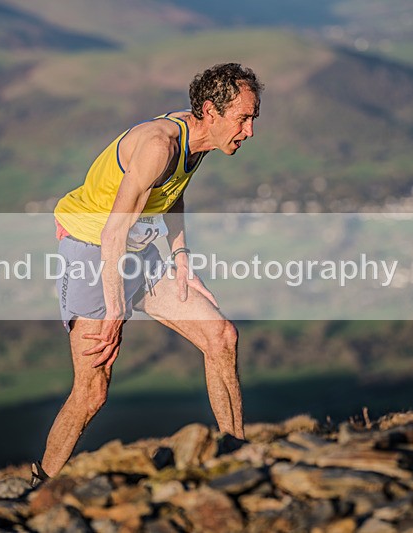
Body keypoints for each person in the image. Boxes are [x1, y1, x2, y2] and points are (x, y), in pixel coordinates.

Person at [34, 63, 262, 484]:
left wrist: (180, 259)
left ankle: (236, 456)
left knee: (222, 336)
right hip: (92, 250)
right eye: (243, 119)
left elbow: (171, 195)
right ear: (211, 111)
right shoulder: (160, 144)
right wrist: (116, 309)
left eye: (252, 119)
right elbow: (112, 231)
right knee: (91, 393)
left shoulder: (198, 141)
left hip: (134, 248)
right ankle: (39, 487)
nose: (248, 131)